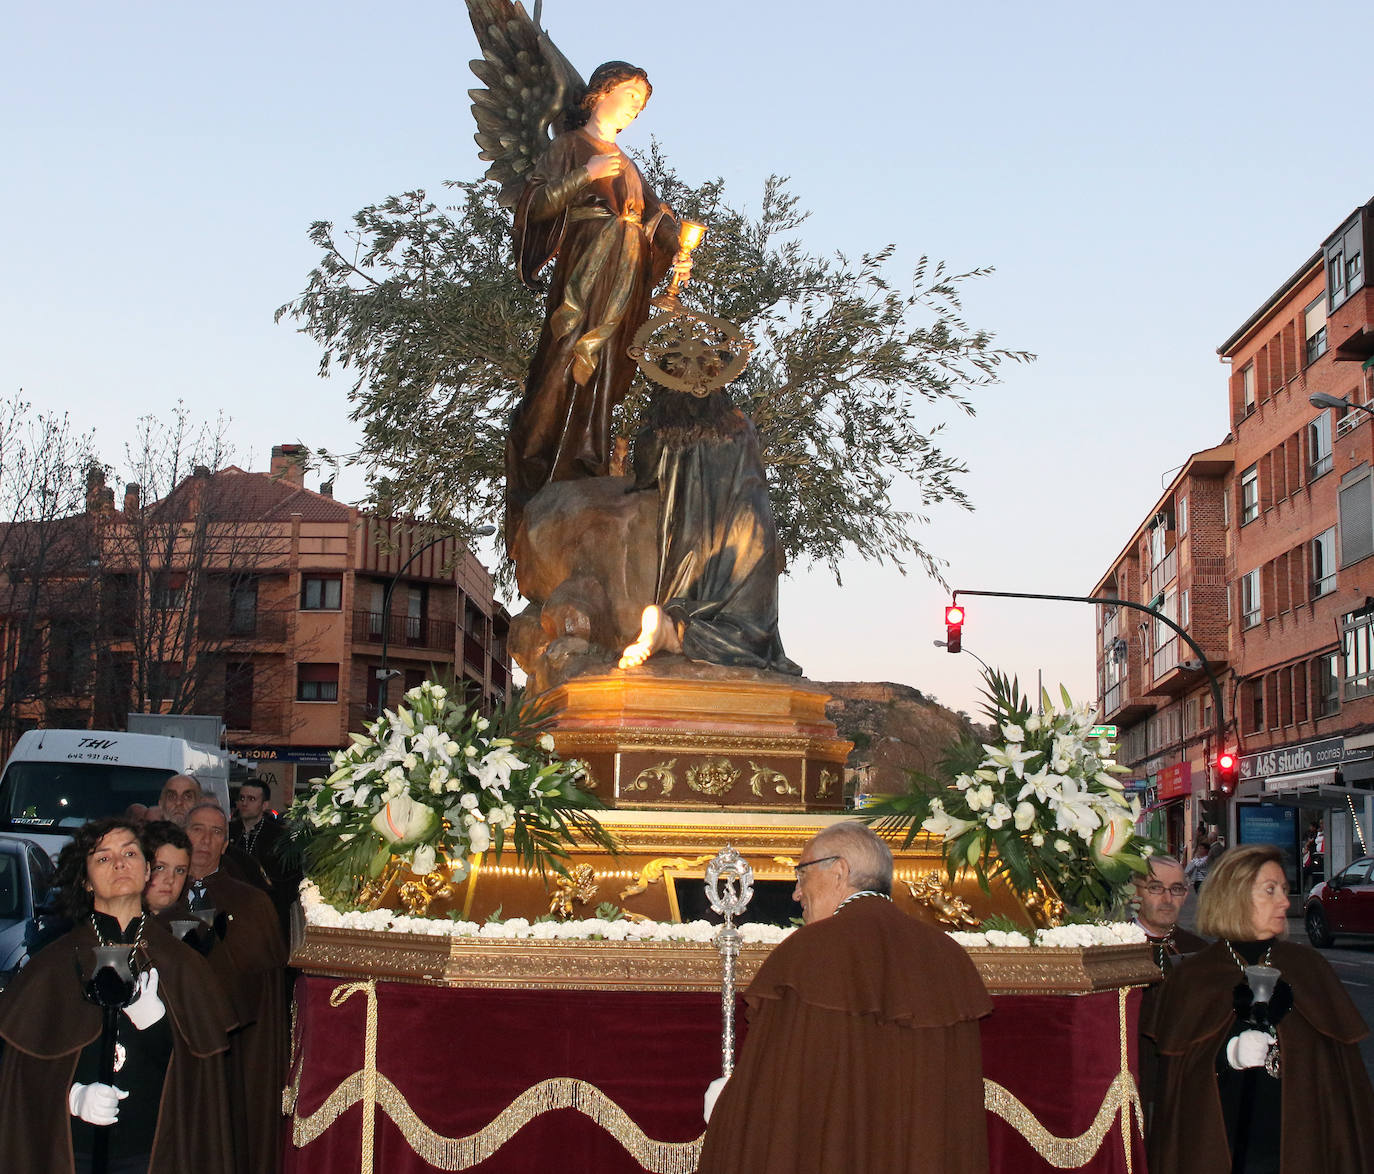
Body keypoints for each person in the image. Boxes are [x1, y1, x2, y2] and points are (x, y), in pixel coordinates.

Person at [696, 823, 992, 1174]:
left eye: (802, 875)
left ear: (839, 871)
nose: (796, 893)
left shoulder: (809, 953)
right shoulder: (948, 957)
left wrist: (727, 1106)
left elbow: (773, 1095)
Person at [505, 60, 687, 543]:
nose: (634, 109)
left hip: (625, 273)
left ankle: (585, 461)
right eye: (630, 96)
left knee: (607, 369)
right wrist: (583, 175)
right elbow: (536, 207)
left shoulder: (629, 165)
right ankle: (531, 474)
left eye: (641, 104)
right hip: (584, 272)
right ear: (600, 93)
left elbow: (652, 220)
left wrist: (677, 247)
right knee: (563, 362)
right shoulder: (569, 147)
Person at [0, 817, 234, 1174]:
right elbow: (22, 1076)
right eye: (103, 858)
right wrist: (71, 1097)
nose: (120, 863)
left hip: (154, 1153)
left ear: (146, 873)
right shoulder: (52, 964)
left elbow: (200, 1080)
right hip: (73, 1154)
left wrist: (156, 1026)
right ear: (86, 881)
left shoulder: (182, 963)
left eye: (129, 853)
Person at [1144, 843, 1374, 1172]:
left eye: (1284, 889)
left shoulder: (1309, 968)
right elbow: (1178, 1090)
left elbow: (1340, 1087)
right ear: (1234, 895)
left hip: (1303, 1152)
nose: (1283, 901)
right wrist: (1227, 1057)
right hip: (1224, 1149)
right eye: (1270, 890)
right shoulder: (1193, 977)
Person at [617, 387, 802, 674]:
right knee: (752, 633)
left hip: (694, 539)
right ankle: (675, 633)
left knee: (709, 604)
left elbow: (645, 474)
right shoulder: (741, 425)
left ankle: (671, 628)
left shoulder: (666, 433)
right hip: (749, 531)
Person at [185, 801, 288, 1174]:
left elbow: (265, 990)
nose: (205, 840)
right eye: (197, 829)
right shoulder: (158, 897)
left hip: (234, 1049)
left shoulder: (252, 901)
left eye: (216, 833)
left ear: (227, 844)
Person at [1132, 853, 1206, 1140]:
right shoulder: (1114, 947)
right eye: (1155, 887)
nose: (1167, 898)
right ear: (1136, 892)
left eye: (1176, 889)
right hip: (1136, 1082)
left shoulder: (1200, 951)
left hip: (1187, 1089)